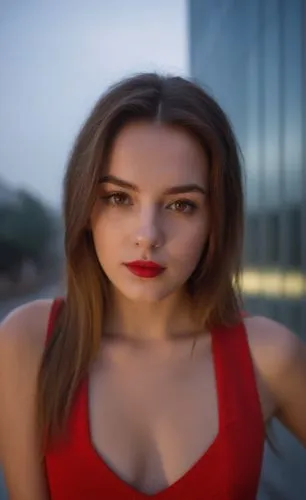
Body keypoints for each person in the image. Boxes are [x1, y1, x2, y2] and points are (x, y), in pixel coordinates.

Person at [0, 73, 305, 500]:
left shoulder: (269, 356)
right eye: (119, 198)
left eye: (182, 205)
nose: (147, 234)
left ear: (215, 219)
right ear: (85, 206)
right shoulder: (29, 342)